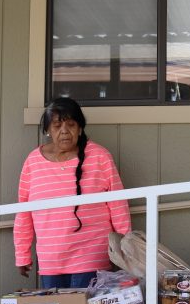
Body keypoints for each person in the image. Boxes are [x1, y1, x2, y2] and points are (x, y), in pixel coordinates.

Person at [13, 97, 131, 288]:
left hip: (91, 256)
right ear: (48, 130)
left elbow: (118, 206)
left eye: (71, 124)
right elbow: (24, 212)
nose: (64, 131)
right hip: (51, 260)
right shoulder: (33, 162)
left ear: (80, 128)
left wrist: (127, 248)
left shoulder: (99, 157)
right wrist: (22, 253)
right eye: (57, 125)